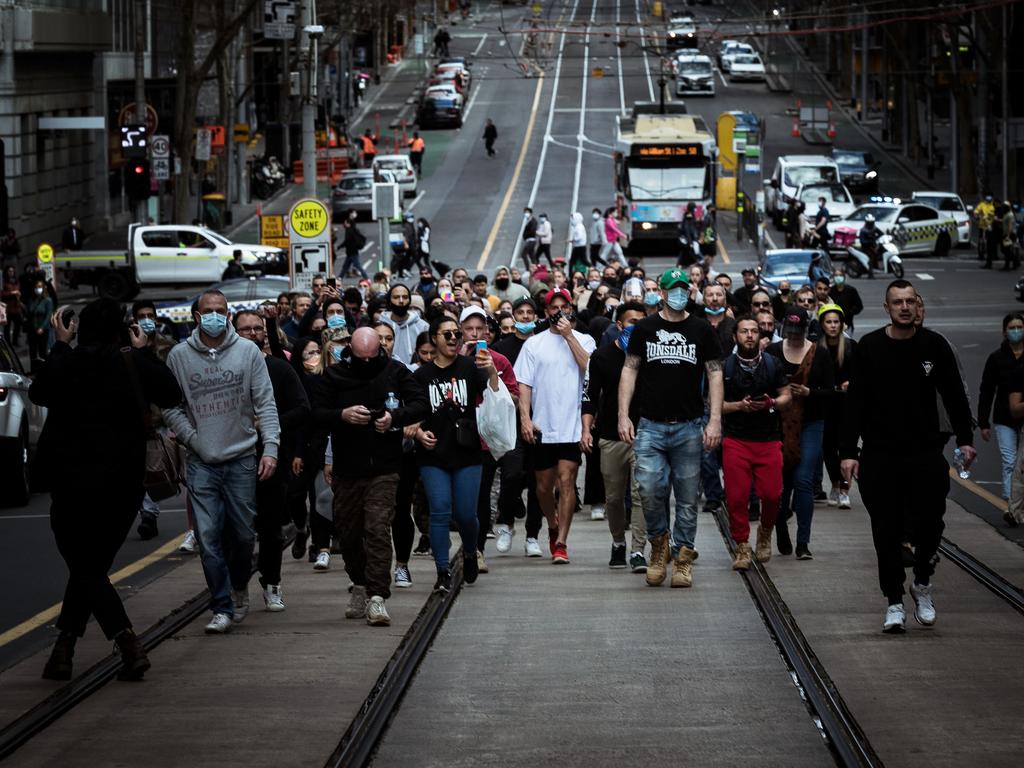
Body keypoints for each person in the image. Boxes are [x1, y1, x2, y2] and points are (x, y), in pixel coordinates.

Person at [31, 298, 182, 680]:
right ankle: (69, 647)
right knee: (91, 567)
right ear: (123, 328)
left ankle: (124, 642)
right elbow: (171, 394)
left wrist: (61, 344)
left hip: (70, 484)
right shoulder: (131, 362)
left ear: (78, 327)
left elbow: (39, 393)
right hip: (123, 485)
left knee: (85, 567)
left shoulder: (68, 360)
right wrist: (144, 353)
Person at [841, 280, 975, 633]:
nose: (904, 307)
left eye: (910, 301)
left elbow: (954, 396)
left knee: (931, 522)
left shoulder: (935, 346)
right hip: (880, 454)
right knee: (885, 529)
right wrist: (848, 452)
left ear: (918, 306)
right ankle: (894, 601)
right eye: (897, 302)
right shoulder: (869, 348)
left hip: (925, 451)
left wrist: (966, 439)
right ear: (886, 308)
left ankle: (923, 582)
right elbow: (855, 403)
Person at [162, 290, 281, 634]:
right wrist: (192, 438)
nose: (214, 315)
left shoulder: (248, 353)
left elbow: (266, 403)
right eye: (207, 311)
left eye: (221, 310)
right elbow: (170, 407)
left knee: (244, 536)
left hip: (242, 458)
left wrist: (270, 447)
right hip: (201, 462)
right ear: (196, 316)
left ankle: (240, 585)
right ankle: (221, 606)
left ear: (228, 315)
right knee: (209, 538)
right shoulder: (179, 356)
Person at [618, 268, 723, 589]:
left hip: (690, 426)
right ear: (661, 293)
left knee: (689, 497)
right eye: (672, 288)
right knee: (649, 489)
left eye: (683, 288)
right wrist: (623, 415)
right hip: (650, 426)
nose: (678, 293)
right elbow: (629, 372)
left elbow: (715, 374)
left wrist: (715, 419)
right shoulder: (645, 328)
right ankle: (658, 544)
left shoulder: (702, 329)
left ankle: (682, 557)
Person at [314, 327, 426, 624]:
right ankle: (360, 584)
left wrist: (394, 419)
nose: (366, 362)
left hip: (385, 467)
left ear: (380, 350)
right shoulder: (334, 375)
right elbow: (315, 413)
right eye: (359, 356)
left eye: (371, 356)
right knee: (349, 534)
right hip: (348, 468)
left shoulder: (395, 371)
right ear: (350, 348)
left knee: (378, 529)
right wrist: (342, 415)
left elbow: (420, 403)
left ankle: (378, 596)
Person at [414, 316, 502, 593]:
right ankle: (442, 570)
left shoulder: (469, 368)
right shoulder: (421, 376)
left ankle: (469, 552)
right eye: (447, 334)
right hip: (433, 454)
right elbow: (411, 414)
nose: (454, 339)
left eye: (457, 334)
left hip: (467, 453)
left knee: (466, 514)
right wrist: (417, 433)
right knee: (439, 512)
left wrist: (491, 372)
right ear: (434, 339)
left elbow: (497, 397)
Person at [232, 311, 309, 610]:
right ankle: (237, 585)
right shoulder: (226, 370)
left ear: (265, 334)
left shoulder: (278, 368)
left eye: (257, 329)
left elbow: (303, 409)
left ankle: (272, 582)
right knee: (237, 531)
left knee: (270, 528)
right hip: (232, 460)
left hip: (271, 459)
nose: (252, 334)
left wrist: (270, 423)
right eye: (244, 329)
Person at [514, 288, 595, 564]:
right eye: (553, 307)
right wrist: (525, 418)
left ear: (571, 309)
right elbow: (524, 384)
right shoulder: (533, 344)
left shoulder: (584, 339)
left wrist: (569, 335)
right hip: (542, 426)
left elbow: (589, 369)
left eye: (564, 306)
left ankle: (561, 542)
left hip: (571, 425)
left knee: (567, 480)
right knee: (542, 487)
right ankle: (551, 522)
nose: (558, 311)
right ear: (545, 312)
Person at [720, 316, 792, 569]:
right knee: (737, 498)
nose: (749, 335)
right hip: (736, 439)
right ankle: (741, 545)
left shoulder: (773, 364)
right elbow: (715, 405)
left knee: (772, 495)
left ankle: (765, 531)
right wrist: (740, 406)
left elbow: (786, 396)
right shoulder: (725, 366)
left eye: (753, 331)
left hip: (768, 439)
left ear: (760, 336)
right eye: (744, 331)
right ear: (735, 337)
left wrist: (770, 403)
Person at [582, 302, 649, 570]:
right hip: (610, 436)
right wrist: (586, 429)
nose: (637, 327)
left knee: (641, 493)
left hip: (645, 435)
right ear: (619, 325)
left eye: (642, 322)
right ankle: (618, 541)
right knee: (613, 497)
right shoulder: (601, 357)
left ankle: (638, 550)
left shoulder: (650, 355)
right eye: (632, 322)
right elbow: (589, 397)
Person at [766, 306, 833, 559]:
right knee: (780, 483)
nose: (793, 336)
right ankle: (781, 523)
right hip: (778, 424)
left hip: (811, 422)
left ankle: (803, 542)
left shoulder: (821, 355)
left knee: (804, 479)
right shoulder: (773, 352)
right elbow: (764, 385)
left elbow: (831, 393)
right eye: (789, 331)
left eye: (798, 332)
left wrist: (810, 393)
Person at [459, 306, 520, 573]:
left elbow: (515, 399)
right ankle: (469, 545)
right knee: (463, 502)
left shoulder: (499, 360)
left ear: (487, 331)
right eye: (468, 329)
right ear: (460, 331)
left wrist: (493, 374)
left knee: (482, 498)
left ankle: (478, 550)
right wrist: (461, 359)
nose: (474, 334)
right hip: (460, 437)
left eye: (479, 329)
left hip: (487, 439)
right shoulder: (453, 359)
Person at [129, 300, 178, 541]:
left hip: (164, 415)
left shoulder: (168, 348)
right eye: (141, 315)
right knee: (146, 468)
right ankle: (148, 515)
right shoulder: (126, 348)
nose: (146, 319)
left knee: (167, 466)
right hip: (138, 417)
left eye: (150, 315)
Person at [977, 313, 1024, 505]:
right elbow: (986, 390)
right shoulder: (996, 358)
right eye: (1012, 328)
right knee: (1009, 461)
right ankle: (1011, 504)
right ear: (1004, 332)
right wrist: (983, 422)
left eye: (1020, 327)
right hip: (1004, 418)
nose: (1016, 331)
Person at [817, 303, 854, 509]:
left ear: (842, 324)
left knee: (846, 449)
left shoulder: (850, 347)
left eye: (836, 322)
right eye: (829, 322)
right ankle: (835, 484)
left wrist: (851, 382)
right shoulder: (816, 347)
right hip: (825, 405)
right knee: (828, 449)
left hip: (846, 406)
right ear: (822, 324)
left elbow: (861, 373)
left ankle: (845, 490)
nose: (833, 326)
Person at [26, 278, 54, 372]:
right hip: (32, 330)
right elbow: (29, 311)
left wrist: (42, 327)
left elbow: (48, 315)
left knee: (43, 352)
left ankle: (44, 371)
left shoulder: (47, 300)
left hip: (43, 329)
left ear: (43, 288)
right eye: (36, 287)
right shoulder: (31, 300)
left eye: (40, 287)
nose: (38, 289)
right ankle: (33, 371)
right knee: (32, 352)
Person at [828, 265, 862, 330]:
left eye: (840, 275)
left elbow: (859, 306)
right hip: (832, 324)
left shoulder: (851, 290)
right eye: (836, 276)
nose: (838, 277)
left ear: (844, 277)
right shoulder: (830, 291)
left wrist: (850, 312)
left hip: (847, 324)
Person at [2, 265, 23, 346]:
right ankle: (7, 342)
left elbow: (19, 290)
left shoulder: (16, 281)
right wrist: (11, 293)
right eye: (9, 271)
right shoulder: (4, 282)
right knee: (7, 326)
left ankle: (15, 340)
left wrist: (19, 294)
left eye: (12, 271)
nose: (11, 273)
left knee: (18, 324)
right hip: (8, 308)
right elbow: (2, 294)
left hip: (16, 307)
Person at [859, 214, 881, 278]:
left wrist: (878, 237)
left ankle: (877, 267)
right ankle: (870, 274)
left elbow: (881, 233)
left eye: (872, 222)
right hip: (866, 247)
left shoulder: (874, 228)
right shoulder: (863, 230)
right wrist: (869, 241)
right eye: (869, 223)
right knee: (870, 259)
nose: (871, 224)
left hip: (874, 246)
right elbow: (862, 241)